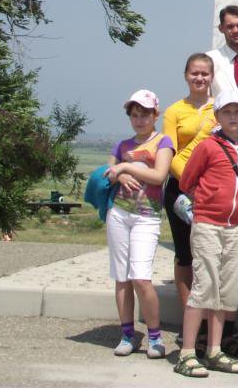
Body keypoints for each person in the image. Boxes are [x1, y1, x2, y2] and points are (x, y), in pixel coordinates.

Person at [175, 90, 238, 378]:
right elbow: (187, 181)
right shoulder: (208, 146)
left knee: (226, 291)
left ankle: (214, 349)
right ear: (218, 115)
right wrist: (209, 201)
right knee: (204, 288)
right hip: (208, 224)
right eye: (227, 112)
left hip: (235, 227)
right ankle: (187, 353)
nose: (233, 117)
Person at [106, 90, 174, 359]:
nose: (140, 119)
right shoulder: (122, 145)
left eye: (145, 114)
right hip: (120, 214)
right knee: (122, 277)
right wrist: (118, 175)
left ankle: (155, 337)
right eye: (135, 115)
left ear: (155, 114)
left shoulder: (163, 141)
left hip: (147, 216)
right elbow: (107, 173)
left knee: (141, 278)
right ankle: (127, 333)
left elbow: (158, 176)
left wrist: (125, 168)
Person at [163, 54, 218, 313]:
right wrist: (190, 183)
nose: (199, 78)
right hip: (181, 189)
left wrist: (204, 186)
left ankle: (207, 315)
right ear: (186, 75)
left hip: (211, 190)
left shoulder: (218, 108)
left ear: (212, 76)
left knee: (207, 254)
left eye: (204, 74)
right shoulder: (174, 110)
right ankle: (189, 316)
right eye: (194, 73)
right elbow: (169, 152)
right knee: (185, 253)